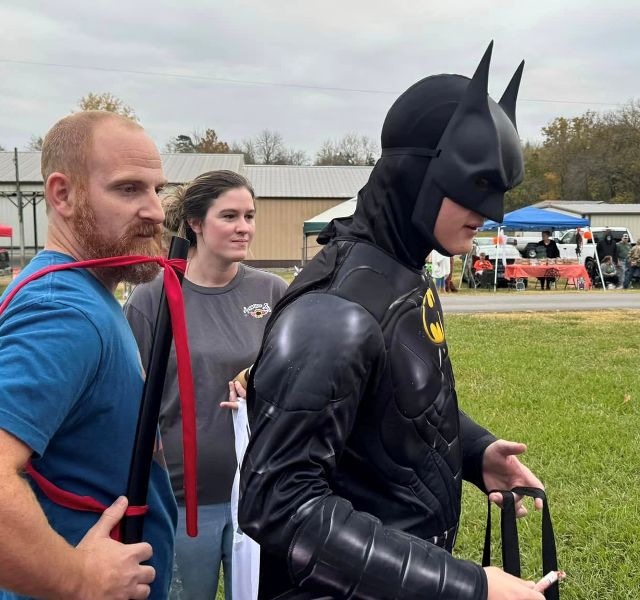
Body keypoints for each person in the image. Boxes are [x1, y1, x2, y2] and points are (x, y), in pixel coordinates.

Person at [239, 44, 546, 600]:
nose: (493, 211)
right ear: (417, 173)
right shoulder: (332, 313)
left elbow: (392, 395)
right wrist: (467, 587)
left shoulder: (404, 272)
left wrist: (476, 452)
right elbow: (279, 504)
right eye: (473, 185)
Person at [0, 111, 176, 599]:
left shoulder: (80, 292)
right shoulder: (62, 310)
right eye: (128, 189)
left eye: (156, 190)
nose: (156, 211)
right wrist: (78, 578)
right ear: (63, 195)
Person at [125, 170, 287, 600]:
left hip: (259, 494)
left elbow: (297, 380)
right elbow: (131, 402)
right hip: (180, 500)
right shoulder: (153, 297)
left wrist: (258, 384)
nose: (244, 227)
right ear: (195, 223)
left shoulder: (273, 292)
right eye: (229, 215)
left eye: (250, 216)